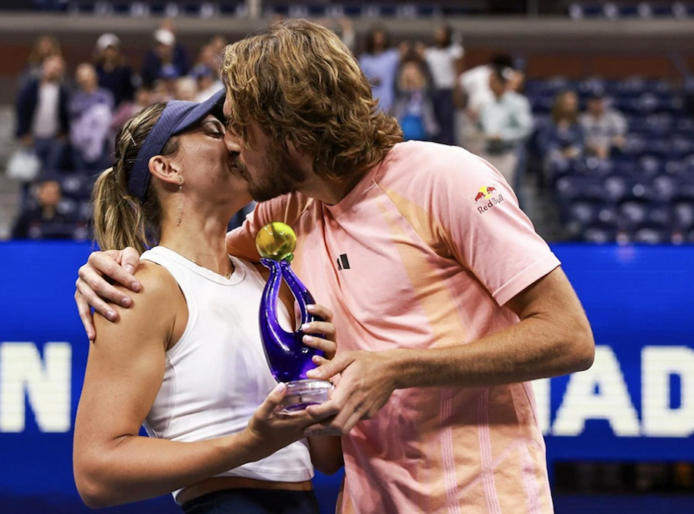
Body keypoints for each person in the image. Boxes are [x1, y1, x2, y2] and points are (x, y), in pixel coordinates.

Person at [74, 21, 595, 514]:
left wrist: (395, 367)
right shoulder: (285, 215)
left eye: (238, 127)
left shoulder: (446, 179)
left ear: (288, 130)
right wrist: (113, 266)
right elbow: (197, 261)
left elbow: (570, 337)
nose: (233, 144)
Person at [72, 91, 342, 513]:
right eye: (215, 131)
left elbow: (326, 459)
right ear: (167, 168)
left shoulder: (270, 280)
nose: (235, 142)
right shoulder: (143, 288)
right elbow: (95, 472)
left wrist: (322, 375)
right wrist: (248, 444)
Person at [478, 65, 533, 188]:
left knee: (508, 193)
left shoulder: (517, 102)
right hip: (489, 152)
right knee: (488, 192)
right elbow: (483, 126)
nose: (489, 85)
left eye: (492, 81)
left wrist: (503, 136)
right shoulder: (487, 104)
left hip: (508, 153)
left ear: (500, 82)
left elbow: (525, 129)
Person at [15, 54, 70, 174]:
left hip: (54, 138)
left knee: (50, 173)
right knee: (28, 174)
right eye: (51, 67)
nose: (53, 71)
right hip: (33, 138)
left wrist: (64, 133)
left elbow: (66, 114)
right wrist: (24, 133)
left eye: (57, 69)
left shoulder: (62, 90)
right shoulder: (32, 88)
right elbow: (21, 109)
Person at [422, 24, 464, 145]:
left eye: (441, 33)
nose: (438, 36)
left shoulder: (454, 51)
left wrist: (457, 92)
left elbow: (458, 72)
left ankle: (448, 144)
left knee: (446, 120)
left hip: (447, 89)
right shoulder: (430, 52)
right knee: (433, 120)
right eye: (437, 33)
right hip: (433, 90)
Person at [69, 63, 114, 172]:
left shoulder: (104, 95)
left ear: (94, 77)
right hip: (80, 145)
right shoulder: (76, 97)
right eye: (82, 78)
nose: (85, 81)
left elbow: (107, 115)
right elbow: (73, 113)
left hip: (101, 143)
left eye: (87, 77)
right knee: (81, 176)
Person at [10, 177, 84, 240]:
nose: (49, 196)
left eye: (53, 193)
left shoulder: (66, 219)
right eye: (47, 193)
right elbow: (15, 237)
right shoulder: (27, 217)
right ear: (40, 194)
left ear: (59, 196)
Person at [537, 89, 586, 177]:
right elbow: (544, 143)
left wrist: (572, 151)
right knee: (556, 162)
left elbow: (581, 143)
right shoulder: (549, 124)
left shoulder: (578, 125)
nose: (569, 107)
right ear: (559, 105)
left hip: (573, 158)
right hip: (554, 157)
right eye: (567, 104)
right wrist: (559, 152)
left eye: (572, 105)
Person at [391, 60, 438, 142]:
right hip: (405, 123)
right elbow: (400, 91)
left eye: (413, 73)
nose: (411, 75)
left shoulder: (425, 91)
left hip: (422, 123)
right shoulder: (401, 92)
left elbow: (431, 89)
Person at [358, 24, 401, 114]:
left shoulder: (393, 56)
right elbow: (360, 82)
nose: (378, 41)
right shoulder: (365, 59)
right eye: (376, 38)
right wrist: (371, 81)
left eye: (381, 38)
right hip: (372, 102)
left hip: (390, 100)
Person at [579, 90, 627, 159]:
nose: (597, 104)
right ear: (589, 102)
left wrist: (607, 147)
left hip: (611, 154)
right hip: (587, 154)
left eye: (599, 101)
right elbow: (578, 140)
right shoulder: (581, 119)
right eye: (594, 101)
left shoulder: (615, 117)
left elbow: (620, 138)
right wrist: (595, 149)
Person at [94, 33, 136, 108]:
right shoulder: (96, 70)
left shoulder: (124, 70)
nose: (109, 53)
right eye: (106, 50)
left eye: (112, 50)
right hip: (102, 106)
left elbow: (130, 93)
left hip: (121, 108)